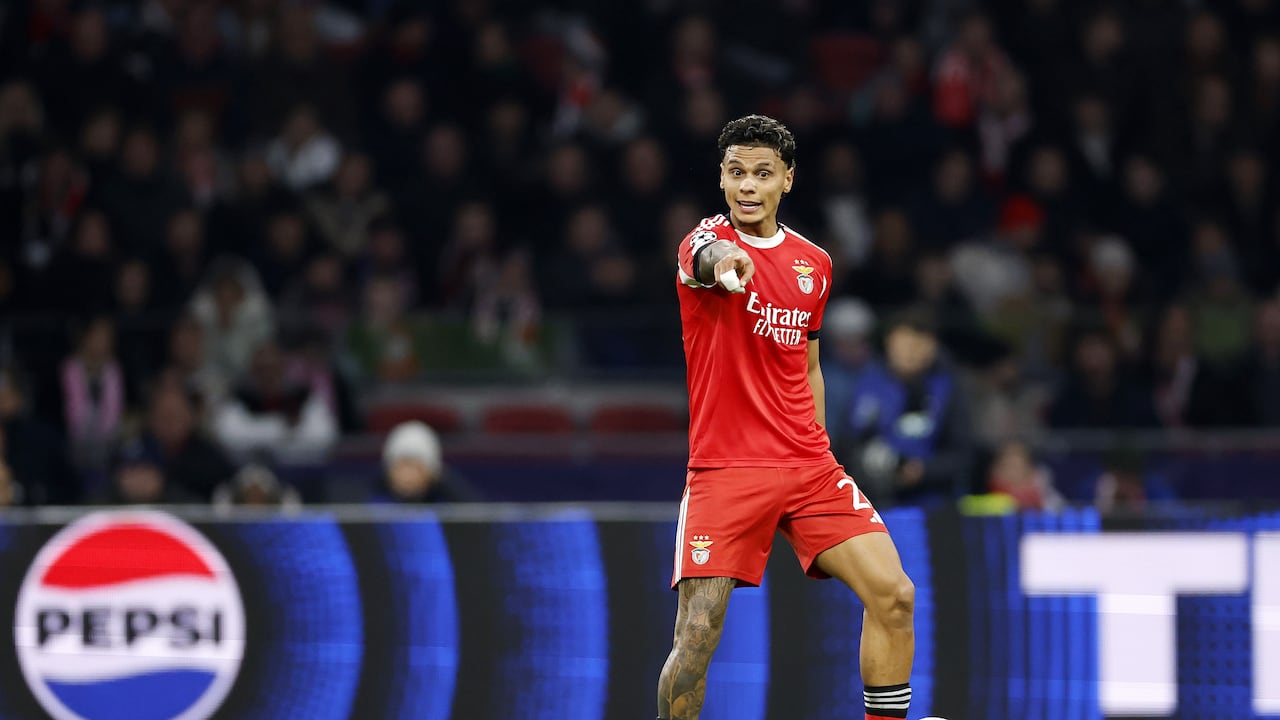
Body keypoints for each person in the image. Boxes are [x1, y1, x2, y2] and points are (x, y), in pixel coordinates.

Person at [658, 115, 914, 720]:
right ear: (722, 177)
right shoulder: (702, 240)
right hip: (726, 469)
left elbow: (810, 364)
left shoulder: (815, 264)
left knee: (894, 596)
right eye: (736, 172)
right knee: (697, 636)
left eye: (762, 174)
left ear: (788, 181)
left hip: (807, 465)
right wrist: (726, 265)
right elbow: (707, 257)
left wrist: (819, 449)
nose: (748, 186)